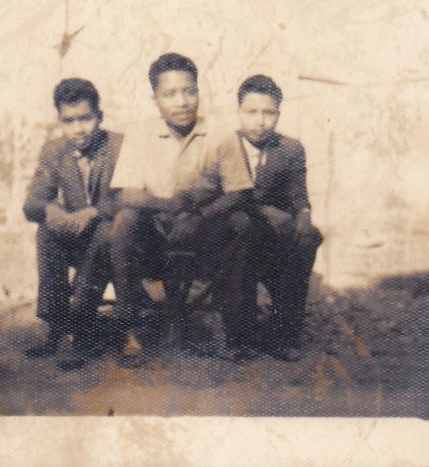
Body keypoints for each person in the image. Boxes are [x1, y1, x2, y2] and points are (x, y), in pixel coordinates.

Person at [108, 53, 256, 367]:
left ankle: (229, 327)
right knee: (124, 221)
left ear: (199, 92)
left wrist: (200, 217)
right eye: (170, 94)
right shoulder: (140, 133)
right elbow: (126, 193)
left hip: (203, 232)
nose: (182, 101)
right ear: (155, 99)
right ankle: (127, 327)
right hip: (155, 234)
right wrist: (167, 206)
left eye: (189, 91)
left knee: (240, 222)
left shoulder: (220, 134)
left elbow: (239, 192)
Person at [218, 74, 323, 361]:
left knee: (307, 239)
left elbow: (299, 195)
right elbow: (218, 196)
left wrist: (304, 216)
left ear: (278, 113)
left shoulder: (290, 149)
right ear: (239, 112)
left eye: (269, 113)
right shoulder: (224, 145)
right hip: (232, 227)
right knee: (242, 230)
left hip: (271, 233)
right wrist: (263, 210)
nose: (261, 121)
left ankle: (284, 333)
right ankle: (239, 336)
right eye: (251, 112)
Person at [23, 78, 122, 370]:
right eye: (69, 121)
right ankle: (54, 326)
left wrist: (92, 212)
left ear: (99, 117)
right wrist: (52, 210)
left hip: (118, 239)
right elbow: (32, 203)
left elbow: (131, 197)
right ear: (60, 120)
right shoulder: (54, 151)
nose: (78, 129)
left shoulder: (119, 146)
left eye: (85, 119)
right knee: (46, 231)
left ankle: (81, 329)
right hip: (81, 238)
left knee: (104, 230)